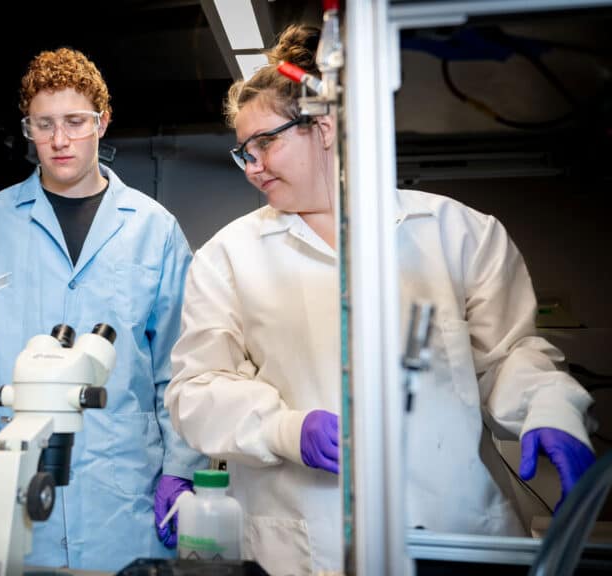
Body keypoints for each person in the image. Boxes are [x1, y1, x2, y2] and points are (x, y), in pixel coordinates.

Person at [165, 24, 596, 575]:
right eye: (242, 152)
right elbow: (196, 391)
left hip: (454, 531)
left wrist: (551, 410)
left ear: (323, 125)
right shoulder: (227, 257)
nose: (252, 166)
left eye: (265, 143)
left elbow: (510, 357)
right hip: (302, 543)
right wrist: (286, 429)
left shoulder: (457, 231)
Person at [0, 47, 208, 571]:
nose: (59, 140)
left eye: (75, 122)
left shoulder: (154, 229)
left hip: (122, 495)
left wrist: (182, 467)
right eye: (44, 124)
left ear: (103, 121)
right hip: (5, 482)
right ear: (27, 127)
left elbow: (182, 362)